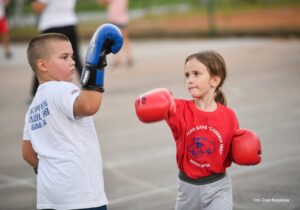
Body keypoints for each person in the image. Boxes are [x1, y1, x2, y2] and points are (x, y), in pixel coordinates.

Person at [135, 50, 261, 210]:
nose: (190, 80)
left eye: (196, 74)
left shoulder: (228, 115)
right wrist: (153, 102)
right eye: (187, 75)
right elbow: (152, 105)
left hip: (218, 187)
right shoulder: (178, 109)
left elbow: (228, 152)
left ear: (215, 80)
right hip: (188, 190)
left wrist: (246, 150)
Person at [22, 24, 123, 210]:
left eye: (72, 56)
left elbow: (28, 153)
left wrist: (53, 173)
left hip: (50, 197)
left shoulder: (34, 107)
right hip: (80, 196)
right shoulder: (60, 88)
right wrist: (97, 61)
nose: (72, 62)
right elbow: (88, 105)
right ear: (42, 65)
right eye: (64, 57)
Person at [30, 0, 83, 98]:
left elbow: (38, 6)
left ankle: (34, 94)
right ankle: (88, 86)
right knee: (76, 58)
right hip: (69, 23)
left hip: (51, 25)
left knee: (43, 59)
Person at [98, 0, 133, 67]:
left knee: (114, 40)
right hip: (122, 18)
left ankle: (119, 60)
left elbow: (104, 2)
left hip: (115, 19)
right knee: (125, 39)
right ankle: (128, 58)